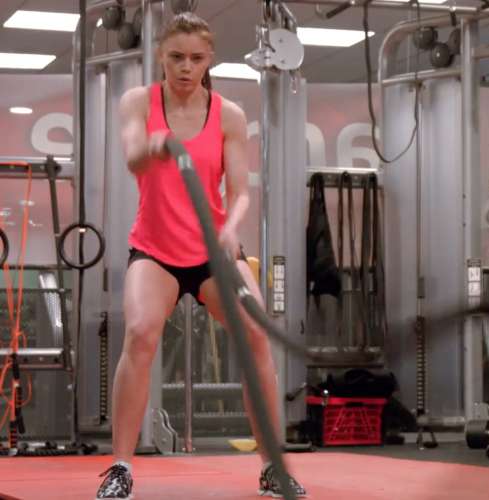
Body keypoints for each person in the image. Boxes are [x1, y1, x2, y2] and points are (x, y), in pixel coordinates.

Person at [95, 13, 306, 499]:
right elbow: (132, 159)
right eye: (176, 57)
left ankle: (273, 466)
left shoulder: (228, 113)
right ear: (161, 57)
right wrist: (153, 146)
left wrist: (231, 231)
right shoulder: (137, 103)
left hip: (213, 250)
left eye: (196, 58)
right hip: (155, 250)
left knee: (257, 335)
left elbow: (241, 191)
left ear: (210, 60)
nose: (185, 67)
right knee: (142, 332)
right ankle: (121, 467)